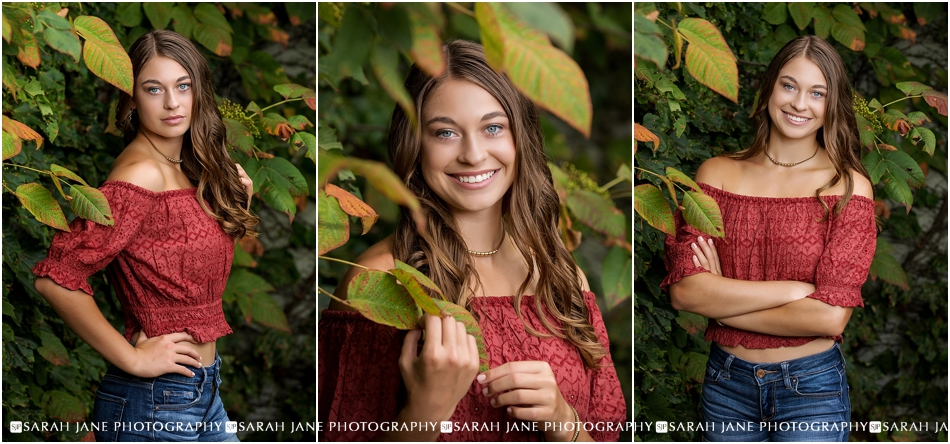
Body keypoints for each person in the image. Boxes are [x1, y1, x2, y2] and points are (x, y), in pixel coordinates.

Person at [318, 40, 626, 441]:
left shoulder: (561, 274)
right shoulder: (378, 282)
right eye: (445, 133)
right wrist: (426, 409)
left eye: (493, 127)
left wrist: (563, 421)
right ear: (414, 143)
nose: (474, 154)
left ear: (521, 138)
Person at [32, 30, 256, 442]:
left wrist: (230, 205)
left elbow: (183, 276)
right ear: (132, 98)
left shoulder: (188, 166)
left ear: (198, 90)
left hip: (204, 394)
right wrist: (133, 359)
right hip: (156, 400)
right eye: (154, 89)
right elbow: (55, 277)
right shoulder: (140, 175)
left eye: (182, 86)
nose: (172, 103)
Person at [662, 35, 876, 442]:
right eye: (789, 85)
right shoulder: (716, 175)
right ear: (769, 89)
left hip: (811, 389)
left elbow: (829, 317)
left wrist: (722, 306)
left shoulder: (847, 188)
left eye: (818, 93)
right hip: (726, 385)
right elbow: (686, 294)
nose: (799, 103)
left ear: (833, 105)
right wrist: (795, 290)